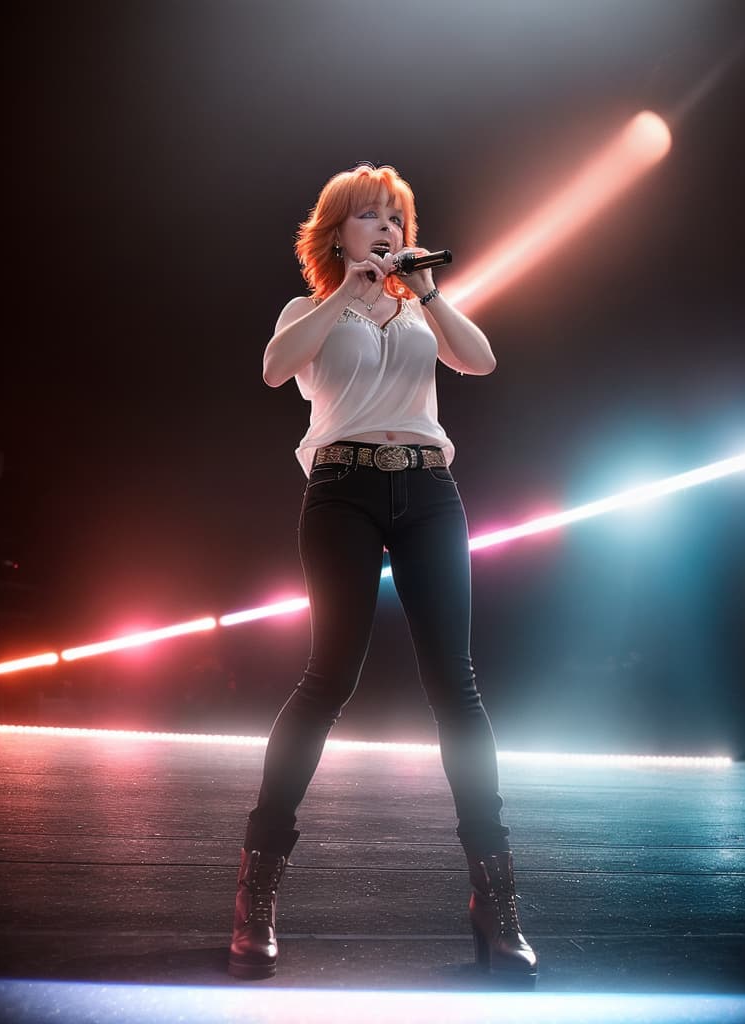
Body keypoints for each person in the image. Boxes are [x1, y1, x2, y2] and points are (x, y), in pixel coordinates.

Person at [228, 163, 537, 980]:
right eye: (369, 217)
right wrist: (343, 295)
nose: (388, 228)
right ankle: (256, 887)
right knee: (327, 679)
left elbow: (481, 361)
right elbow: (271, 369)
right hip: (342, 489)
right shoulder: (311, 311)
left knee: (457, 686)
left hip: (429, 490)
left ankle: (495, 898)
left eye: (395, 217)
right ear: (337, 234)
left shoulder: (418, 310)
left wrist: (426, 292)